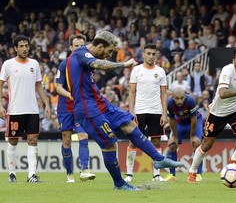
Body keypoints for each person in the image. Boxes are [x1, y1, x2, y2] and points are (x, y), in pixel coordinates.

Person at [66, 30, 183, 190]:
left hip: (100, 103)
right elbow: (100, 65)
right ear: (100, 46)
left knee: (129, 124)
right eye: (109, 51)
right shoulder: (81, 53)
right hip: (88, 110)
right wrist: (124, 64)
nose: (108, 55)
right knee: (109, 145)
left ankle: (158, 159)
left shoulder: (83, 56)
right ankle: (119, 184)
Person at [187, 47, 236, 183]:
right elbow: (223, 93)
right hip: (218, 112)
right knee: (207, 145)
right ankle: (192, 171)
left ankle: (234, 158)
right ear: (234, 60)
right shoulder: (227, 70)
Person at [0, 35, 51, 183]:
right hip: (15, 110)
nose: (24, 49)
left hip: (32, 110)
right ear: (15, 48)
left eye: (26, 46)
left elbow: (39, 86)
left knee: (33, 140)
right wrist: (0, 105)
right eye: (21, 46)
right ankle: (12, 173)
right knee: (13, 140)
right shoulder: (8, 65)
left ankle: (31, 174)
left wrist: (47, 104)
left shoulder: (34, 64)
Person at [124, 43, 168, 183]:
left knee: (156, 141)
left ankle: (156, 174)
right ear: (143, 54)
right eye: (148, 53)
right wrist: (131, 110)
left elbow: (164, 93)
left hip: (156, 111)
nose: (150, 56)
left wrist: (164, 113)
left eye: (153, 54)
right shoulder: (136, 70)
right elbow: (131, 91)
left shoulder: (161, 71)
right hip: (139, 111)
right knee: (133, 141)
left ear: (156, 55)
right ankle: (129, 174)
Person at [56, 33, 95, 183]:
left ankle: (84, 170)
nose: (79, 48)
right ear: (71, 47)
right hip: (65, 107)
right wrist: (70, 94)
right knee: (66, 139)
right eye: (76, 46)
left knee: (83, 136)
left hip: (80, 107)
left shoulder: (87, 64)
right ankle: (69, 174)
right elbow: (58, 88)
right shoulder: (64, 64)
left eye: (81, 46)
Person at [164, 88, 203, 182]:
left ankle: (198, 174)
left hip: (193, 122)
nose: (179, 101)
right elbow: (172, 120)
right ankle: (171, 175)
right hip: (179, 123)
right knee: (172, 145)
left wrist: (192, 135)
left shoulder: (191, 100)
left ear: (185, 96)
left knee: (196, 144)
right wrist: (175, 136)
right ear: (172, 97)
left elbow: (194, 119)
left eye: (182, 98)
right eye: (177, 98)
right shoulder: (169, 103)